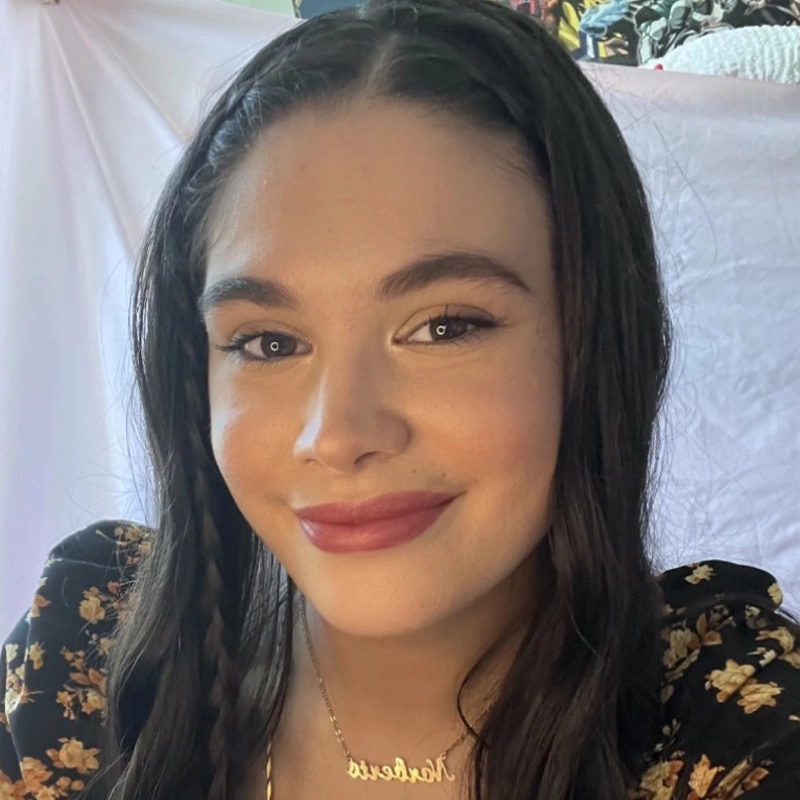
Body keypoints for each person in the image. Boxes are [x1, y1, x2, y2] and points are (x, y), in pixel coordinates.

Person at [2, 0, 800, 797]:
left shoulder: (728, 716)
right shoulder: (85, 658)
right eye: (268, 343)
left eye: (445, 326)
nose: (339, 434)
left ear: (591, 345)